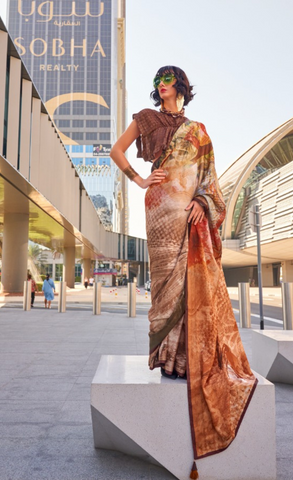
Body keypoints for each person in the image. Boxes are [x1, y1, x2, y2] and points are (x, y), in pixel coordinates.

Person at [110, 66, 257, 472]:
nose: (163, 85)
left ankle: (186, 361)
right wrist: (140, 180)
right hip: (159, 206)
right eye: (159, 79)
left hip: (189, 210)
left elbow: (209, 179)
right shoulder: (145, 118)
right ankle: (166, 359)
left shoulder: (198, 131)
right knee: (164, 285)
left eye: (170, 79)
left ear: (182, 87)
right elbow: (116, 151)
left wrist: (203, 204)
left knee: (188, 282)